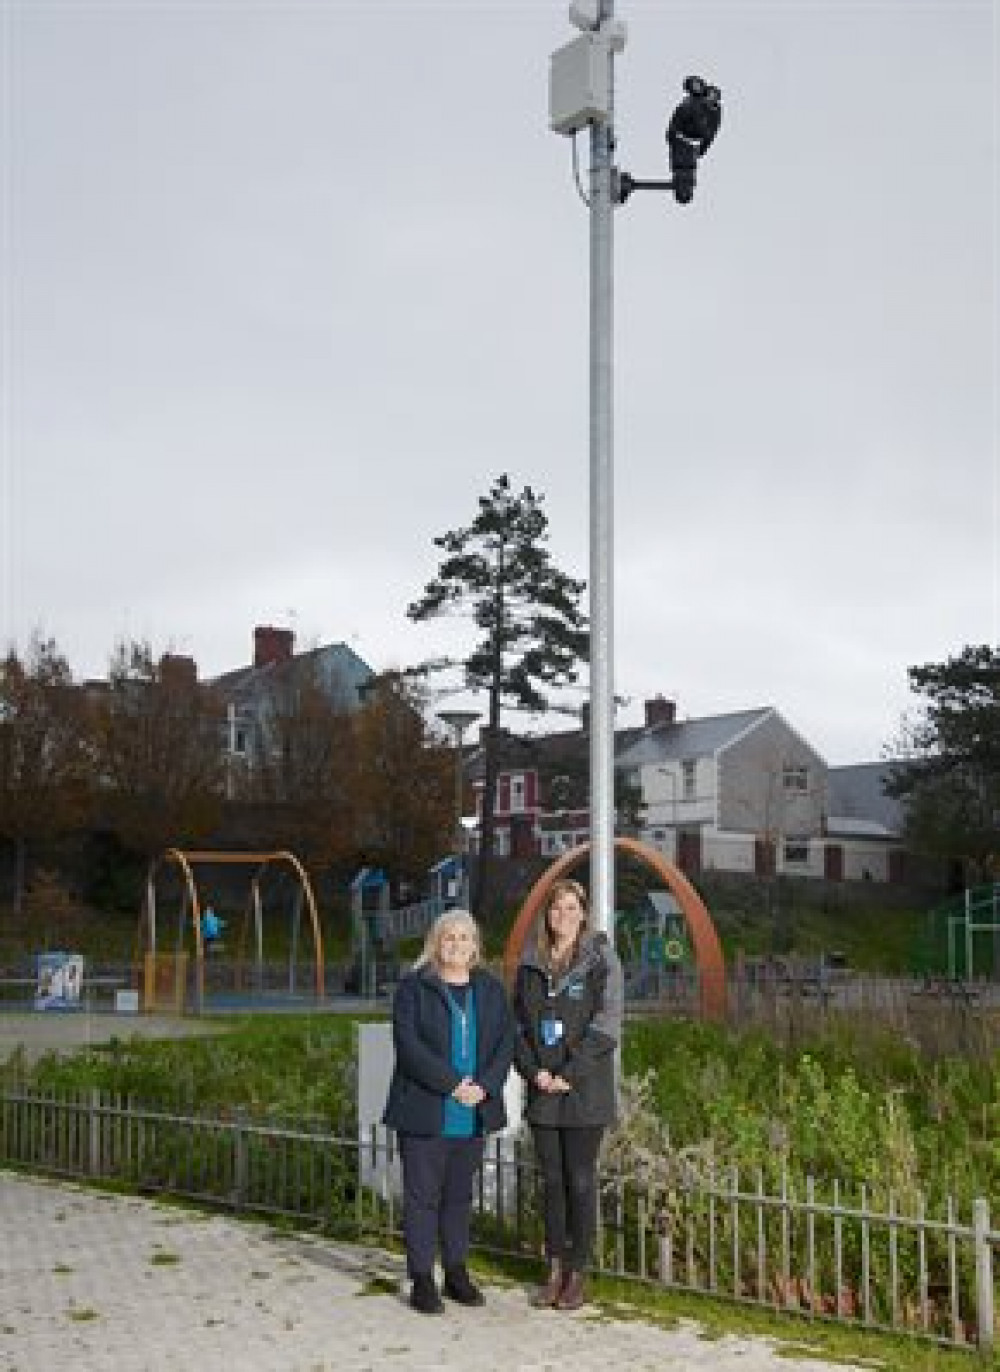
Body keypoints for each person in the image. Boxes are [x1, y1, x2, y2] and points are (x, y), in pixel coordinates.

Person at [383, 909, 515, 1315]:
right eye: (448, 938)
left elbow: (505, 1042)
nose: (457, 945)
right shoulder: (414, 988)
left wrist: (485, 1087)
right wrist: (453, 1084)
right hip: (427, 1110)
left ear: (476, 946)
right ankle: (422, 1277)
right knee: (422, 1198)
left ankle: (456, 1272)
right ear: (435, 944)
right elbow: (409, 1049)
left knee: (458, 1198)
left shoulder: (491, 990)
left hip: (472, 1111)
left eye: (464, 937)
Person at [513, 878, 623, 1311]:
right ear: (547, 914)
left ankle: (579, 1271)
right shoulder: (531, 963)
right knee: (552, 1182)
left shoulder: (601, 960)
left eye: (572, 908)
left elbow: (606, 1025)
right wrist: (534, 1071)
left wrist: (569, 1072)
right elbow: (518, 1025)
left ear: (584, 913)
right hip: (542, 1089)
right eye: (556, 908)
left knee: (579, 1180)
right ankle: (554, 1267)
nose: (563, 916)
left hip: (583, 1090)